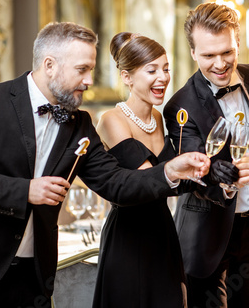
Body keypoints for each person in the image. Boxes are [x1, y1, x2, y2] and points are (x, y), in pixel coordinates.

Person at [0, 22, 210, 307]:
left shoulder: (79, 124)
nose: (89, 81)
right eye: (81, 69)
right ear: (49, 65)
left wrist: (168, 171)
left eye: (91, 70)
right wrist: (25, 191)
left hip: (35, 277)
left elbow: (117, 183)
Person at [163, 2, 249, 307]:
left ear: (238, 43)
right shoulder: (179, 106)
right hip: (206, 229)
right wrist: (222, 174)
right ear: (193, 53)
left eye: (227, 52)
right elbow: (194, 168)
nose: (220, 63)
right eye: (209, 55)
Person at [92, 32, 190, 307]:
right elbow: (147, 179)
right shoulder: (111, 119)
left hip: (162, 231)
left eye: (166, 69)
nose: (163, 77)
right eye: (152, 70)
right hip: (128, 237)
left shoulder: (158, 118)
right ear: (127, 77)